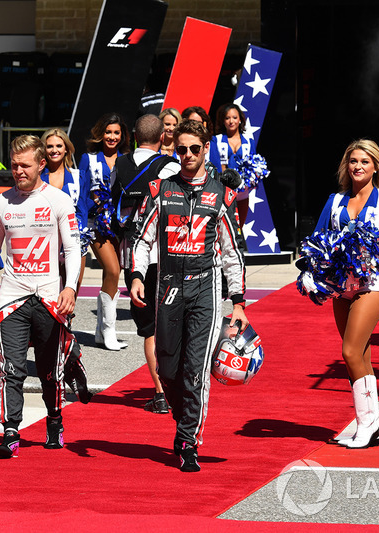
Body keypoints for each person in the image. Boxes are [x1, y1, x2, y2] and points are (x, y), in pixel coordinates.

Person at [129, 119, 247, 472]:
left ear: (206, 149)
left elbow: (231, 253)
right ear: (174, 150)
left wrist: (239, 302)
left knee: (195, 369)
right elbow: (142, 239)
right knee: (168, 369)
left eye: (195, 148)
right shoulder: (160, 191)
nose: (188, 155)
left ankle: (188, 440)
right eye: (182, 149)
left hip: (205, 288)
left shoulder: (221, 196)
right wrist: (137, 275)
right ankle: (184, 424)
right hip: (167, 286)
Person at [0, 135, 81, 458]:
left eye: (24, 166)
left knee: (48, 371)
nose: (17, 171)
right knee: (10, 367)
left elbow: (72, 248)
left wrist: (70, 287)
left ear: (41, 164)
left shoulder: (58, 200)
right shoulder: (2, 203)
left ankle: (54, 419)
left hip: (48, 297)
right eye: (14, 165)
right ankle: (11, 430)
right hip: (11, 297)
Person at [310, 139, 379, 449]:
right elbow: (319, 237)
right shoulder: (335, 201)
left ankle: (366, 424)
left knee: (350, 352)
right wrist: (321, 268)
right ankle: (370, 424)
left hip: (372, 284)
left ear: (376, 166)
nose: (358, 166)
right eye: (353, 161)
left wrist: (368, 258)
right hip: (342, 287)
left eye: (365, 161)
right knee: (361, 354)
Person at [111, 114, 180, 414]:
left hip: (132, 256)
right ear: (163, 137)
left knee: (149, 328)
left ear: (134, 137)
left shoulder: (120, 166)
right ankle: (179, 386)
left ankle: (160, 393)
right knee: (174, 322)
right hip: (165, 255)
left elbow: (112, 205)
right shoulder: (171, 167)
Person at [40, 127, 92, 403]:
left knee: (68, 304)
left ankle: (66, 360)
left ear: (67, 149)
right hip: (47, 246)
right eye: (50, 146)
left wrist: (76, 236)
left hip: (73, 245)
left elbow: (83, 208)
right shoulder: (39, 177)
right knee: (50, 304)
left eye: (59, 146)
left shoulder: (78, 176)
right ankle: (64, 361)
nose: (55, 150)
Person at [79, 112, 131, 350]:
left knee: (109, 274)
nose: (112, 137)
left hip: (119, 224)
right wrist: (80, 224)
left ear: (122, 136)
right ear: (101, 134)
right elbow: (81, 194)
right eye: (108, 132)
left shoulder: (127, 159)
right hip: (95, 224)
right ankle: (109, 331)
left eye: (116, 133)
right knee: (113, 269)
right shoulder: (88, 159)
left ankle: (101, 331)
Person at [209, 103, 255, 226]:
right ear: (223, 121)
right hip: (223, 191)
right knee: (222, 226)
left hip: (242, 193)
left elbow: (254, 166)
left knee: (239, 226)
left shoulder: (249, 142)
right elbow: (215, 166)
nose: (231, 121)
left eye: (234, 117)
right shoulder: (216, 140)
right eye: (227, 118)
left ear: (240, 119)